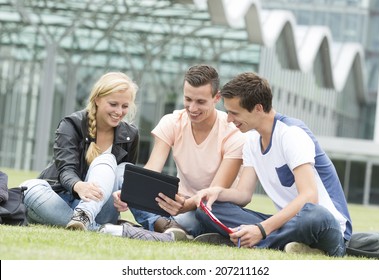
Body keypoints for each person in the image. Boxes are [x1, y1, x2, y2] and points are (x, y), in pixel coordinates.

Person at [194, 72, 352, 256]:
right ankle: (287, 245)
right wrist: (217, 192)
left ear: (258, 108)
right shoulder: (252, 140)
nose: (229, 119)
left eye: (234, 113)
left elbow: (310, 196)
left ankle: (245, 240)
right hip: (287, 224)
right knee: (208, 209)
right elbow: (243, 194)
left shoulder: (292, 134)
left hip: (327, 226)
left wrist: (261, 229)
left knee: (314, 215)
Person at [101, 65, 246, 240]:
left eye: (200, 102)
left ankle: (156, 227)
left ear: (216, 98)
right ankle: (169, 227)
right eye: (188, 99)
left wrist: (184, 206)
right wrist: (129, 193)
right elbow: (152, 170)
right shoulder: (172, 122)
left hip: (208, 209)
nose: (192, 108)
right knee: (126, 176)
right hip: (174, 205)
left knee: (197, 218)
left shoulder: (232, 133)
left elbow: (213, 193)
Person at [21, 72, 139, 231]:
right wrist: (79, 186)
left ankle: (85, 215)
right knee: (29, 188)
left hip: (100, 209)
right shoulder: (72, 124)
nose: (119, 112)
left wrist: (122, 195)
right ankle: (101, 229)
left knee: (109, 161)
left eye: (125, 106)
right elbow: (66, 169)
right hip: (59, 199)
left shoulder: (130, 135)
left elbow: (125, 179)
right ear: (97, 99)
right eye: (113, 104)